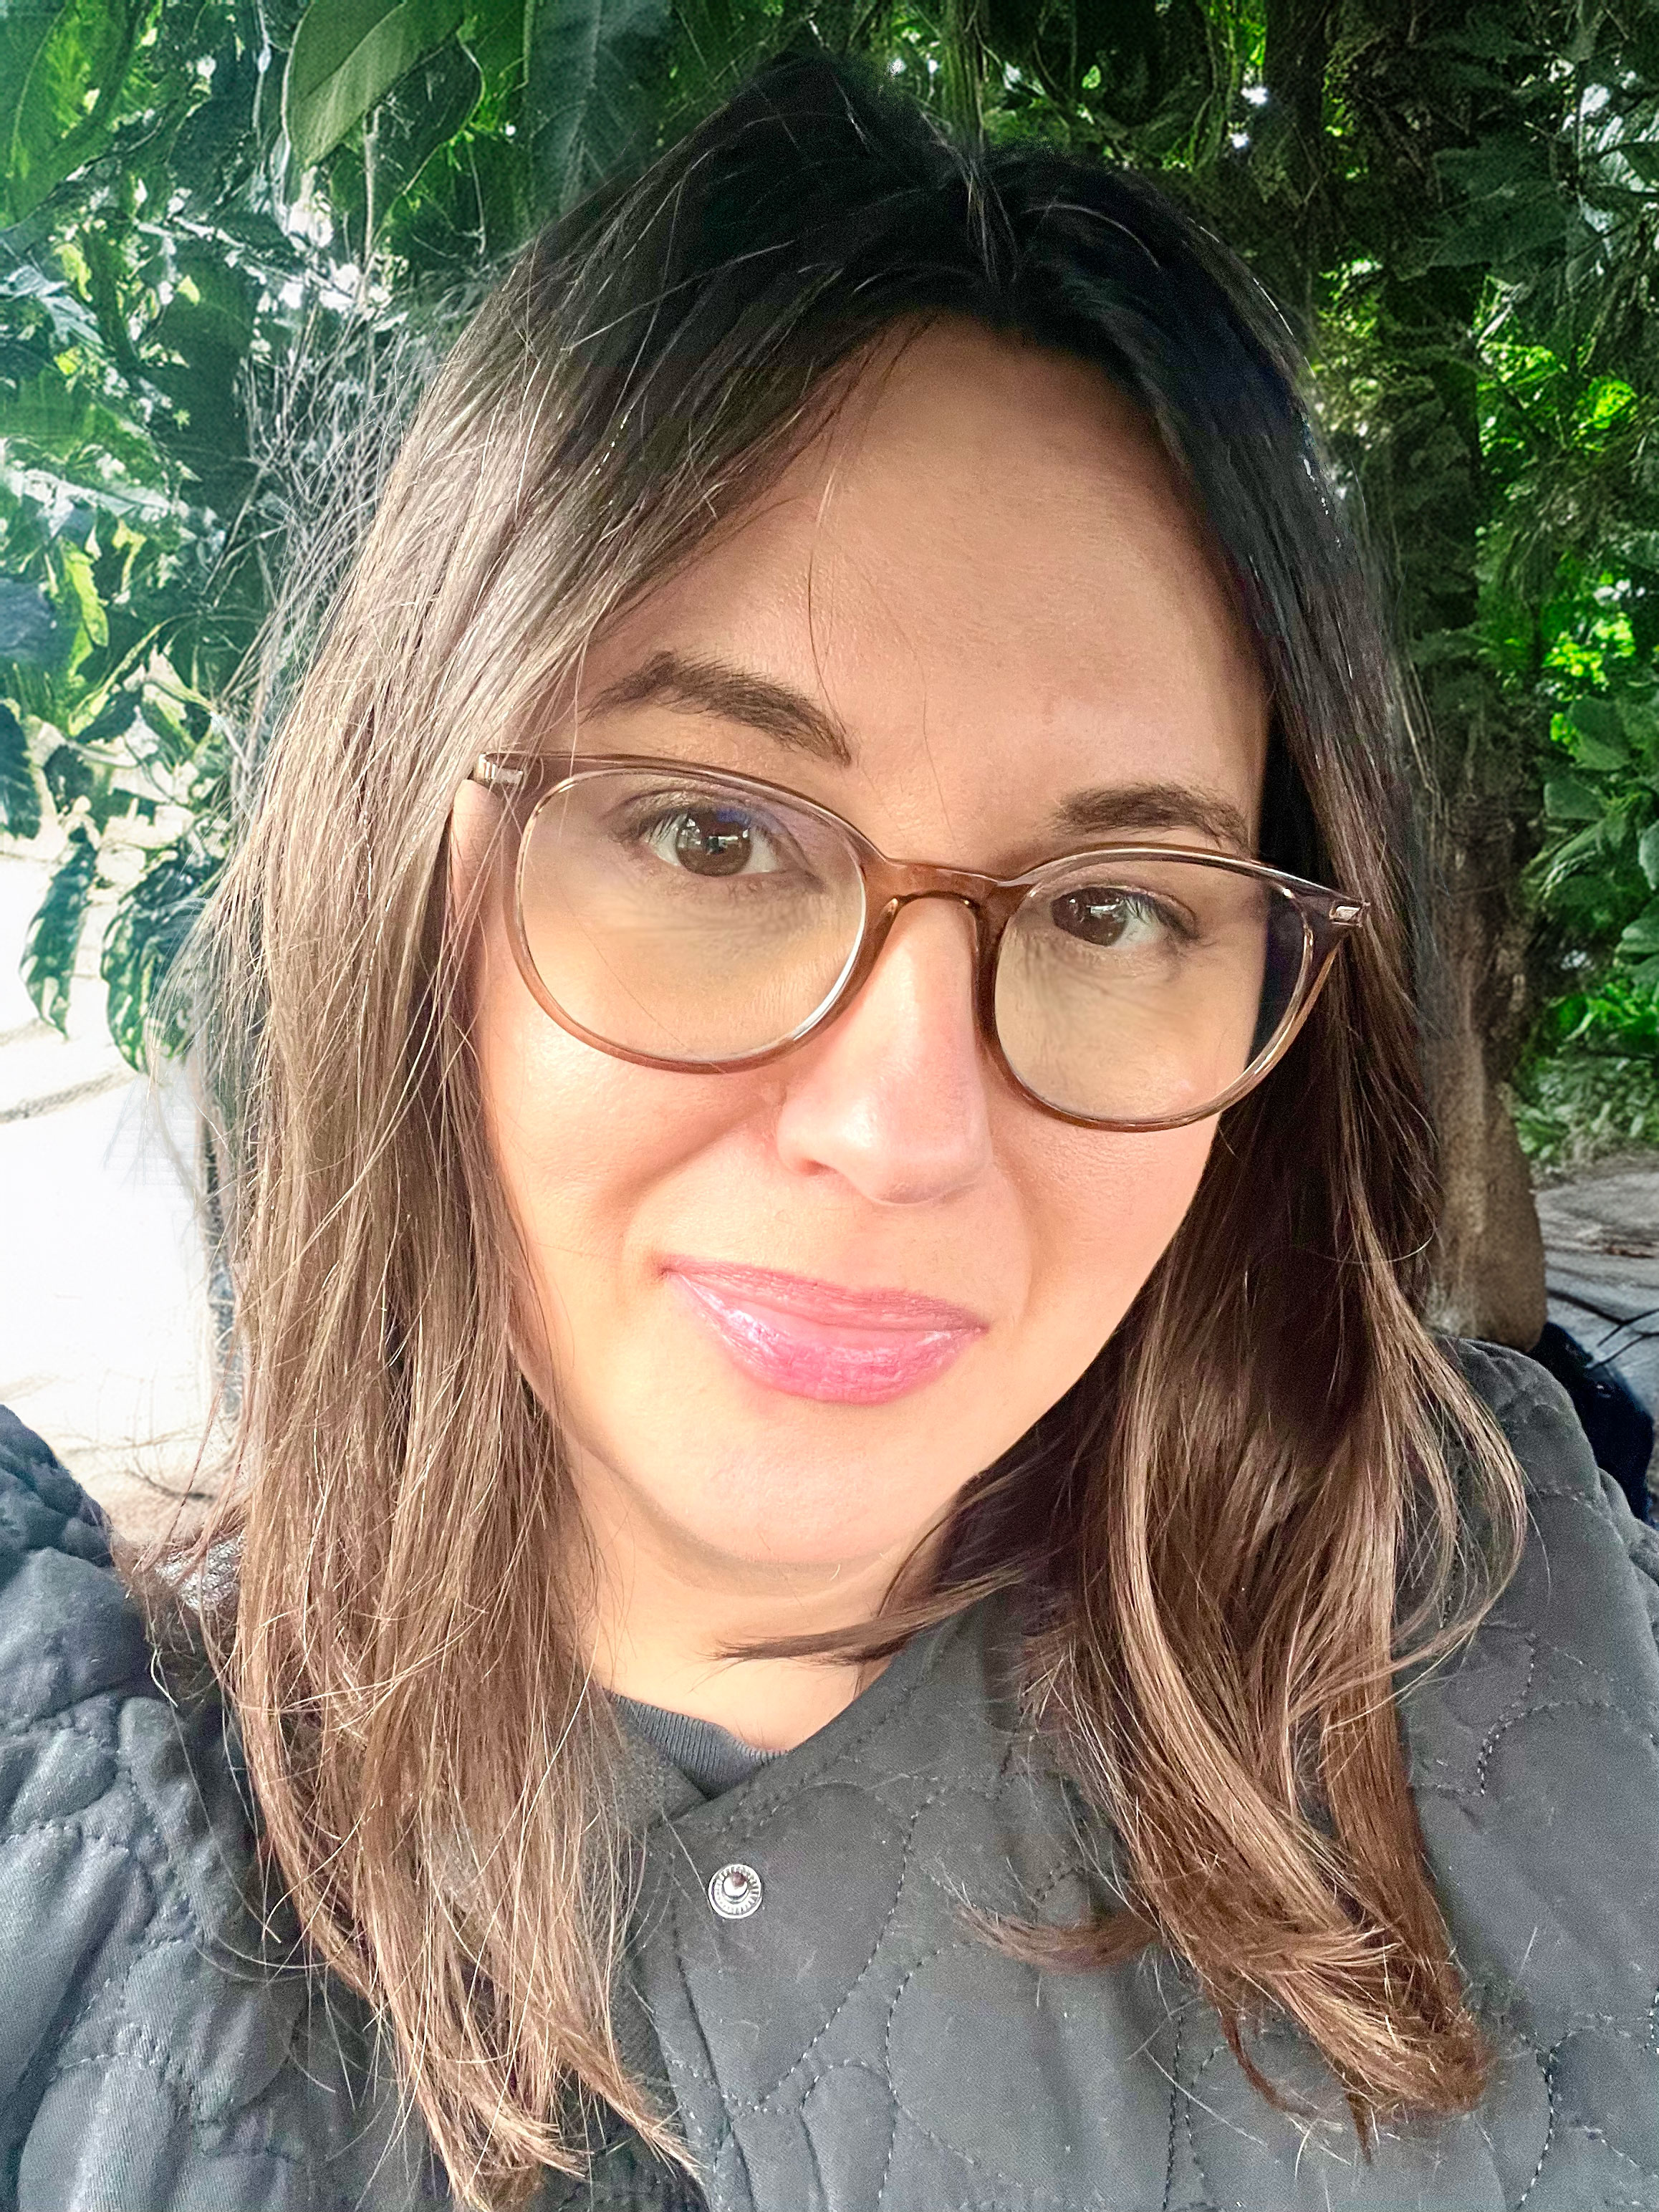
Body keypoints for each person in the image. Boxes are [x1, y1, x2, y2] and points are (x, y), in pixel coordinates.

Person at [1, 48, 1655, 2212]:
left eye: (1111, 909)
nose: (900, 1130)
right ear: (407, 880)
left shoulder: (1516, 1606)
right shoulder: (82, 1875)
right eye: (713, 834)